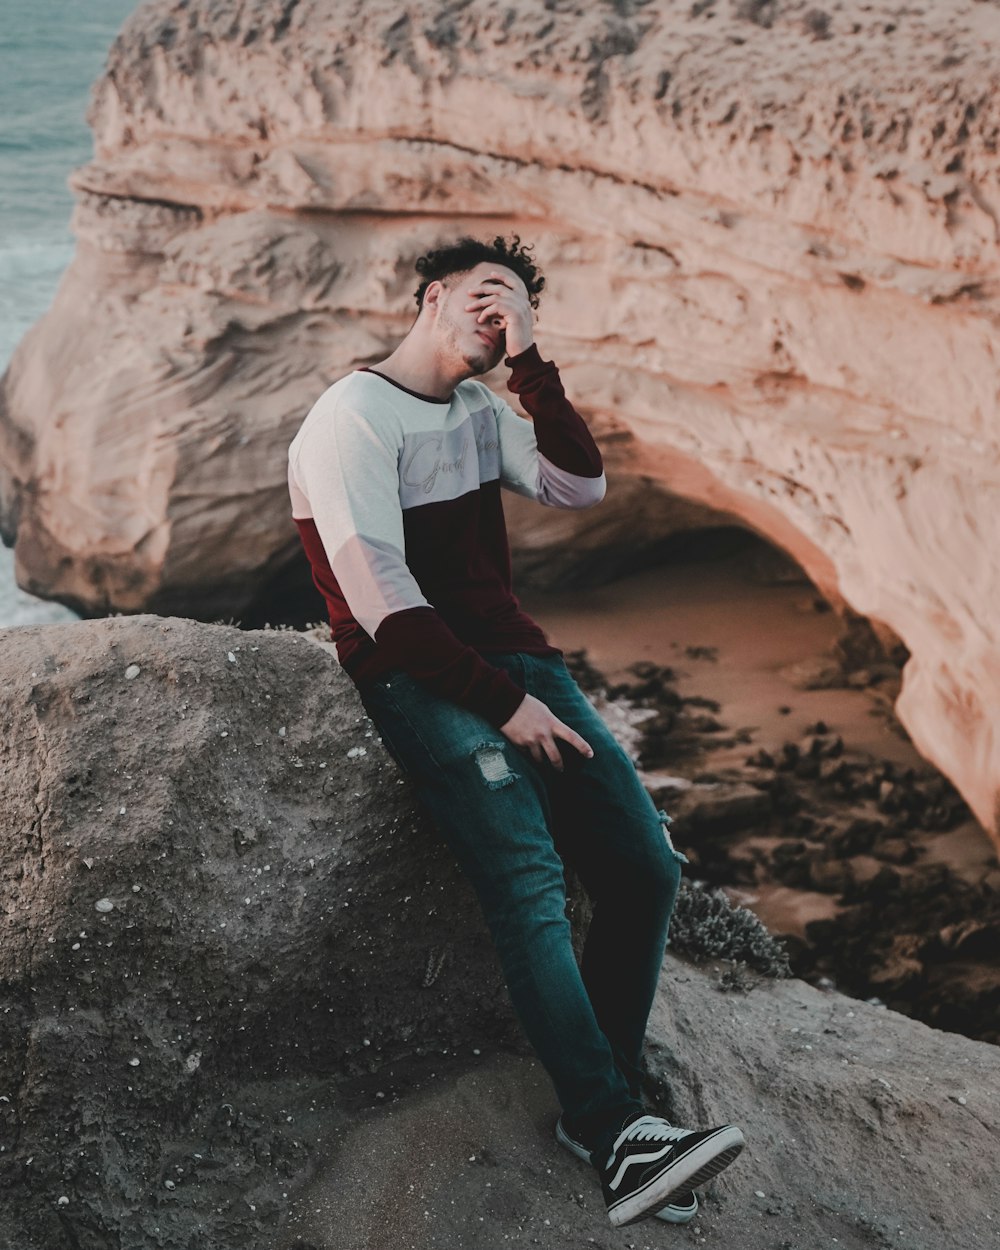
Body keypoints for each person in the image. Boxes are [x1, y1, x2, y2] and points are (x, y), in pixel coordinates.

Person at [286, 235, 745, 1227]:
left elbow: (581, 488)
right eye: (489, 299)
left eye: (519, 308)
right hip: (421, 675)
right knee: (529, 877)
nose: (500, 320)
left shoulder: (480, 411)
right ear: (432, 296)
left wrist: (533, 365)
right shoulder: (350, 418)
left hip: (521, 659)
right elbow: (380, 605)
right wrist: (503, 703)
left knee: (644, 868)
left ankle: (605, 1115)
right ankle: (619, 1127)